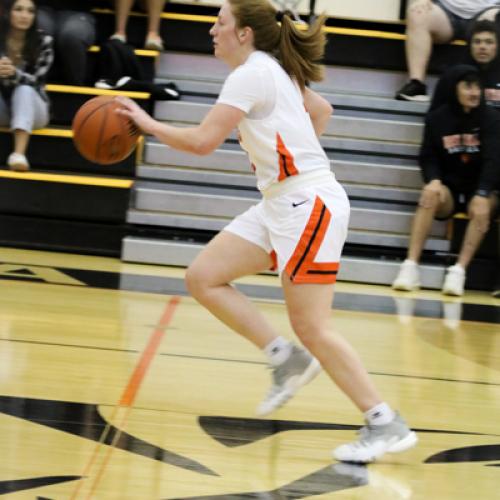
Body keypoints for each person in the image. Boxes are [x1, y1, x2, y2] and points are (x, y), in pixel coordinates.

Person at [116, 0, 418, 464]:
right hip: (282, 201)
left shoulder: (251, 74)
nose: (212, 30)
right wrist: (287, 153)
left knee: (312, 325)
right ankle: (285, 358)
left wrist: (146, 123)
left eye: (220, 22)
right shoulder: (270, 69)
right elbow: (322, 110)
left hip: (306, 202)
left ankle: (384, 421)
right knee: (204, 277)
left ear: (244, 33)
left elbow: (202, 143)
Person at [393, 65, 500, 296]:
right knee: (430, 194)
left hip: (479, 189)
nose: (474, 92)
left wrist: (482, 192)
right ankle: (410, 266)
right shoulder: (436, 119)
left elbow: (494, 160)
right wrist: (433, 180)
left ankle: (459, 271)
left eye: (477, 87)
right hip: (450, 189)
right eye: (468, 86)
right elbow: (427, 156)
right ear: (454, 88)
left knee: (483, 207)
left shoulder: (490, 118)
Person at [396, 0, 500, 101]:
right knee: (417, 12)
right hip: (447, 10)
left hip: (487, 10)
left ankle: (493, 86)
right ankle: (416, 84)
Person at [0, 0, 53, 171]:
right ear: (8, 12)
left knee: (24, 89)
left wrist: (14, 74)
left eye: (30, 11)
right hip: (3, 108)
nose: (25, 16)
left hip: (33, 109)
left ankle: (19, 154)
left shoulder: (44, 41)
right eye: (19, 10)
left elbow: (37, 81)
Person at [430, 19, 500, 110]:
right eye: (477, 42)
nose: (482, 47)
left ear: (497, 46)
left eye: (489, 42)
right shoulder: (454, 74)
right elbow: (434, 115)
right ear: (470, 46)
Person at [36, 0, 98, 86]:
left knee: (72, 35)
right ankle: (33, 84)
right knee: (39, 29)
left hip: (79, 11)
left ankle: (75, 89)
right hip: (41, 7)